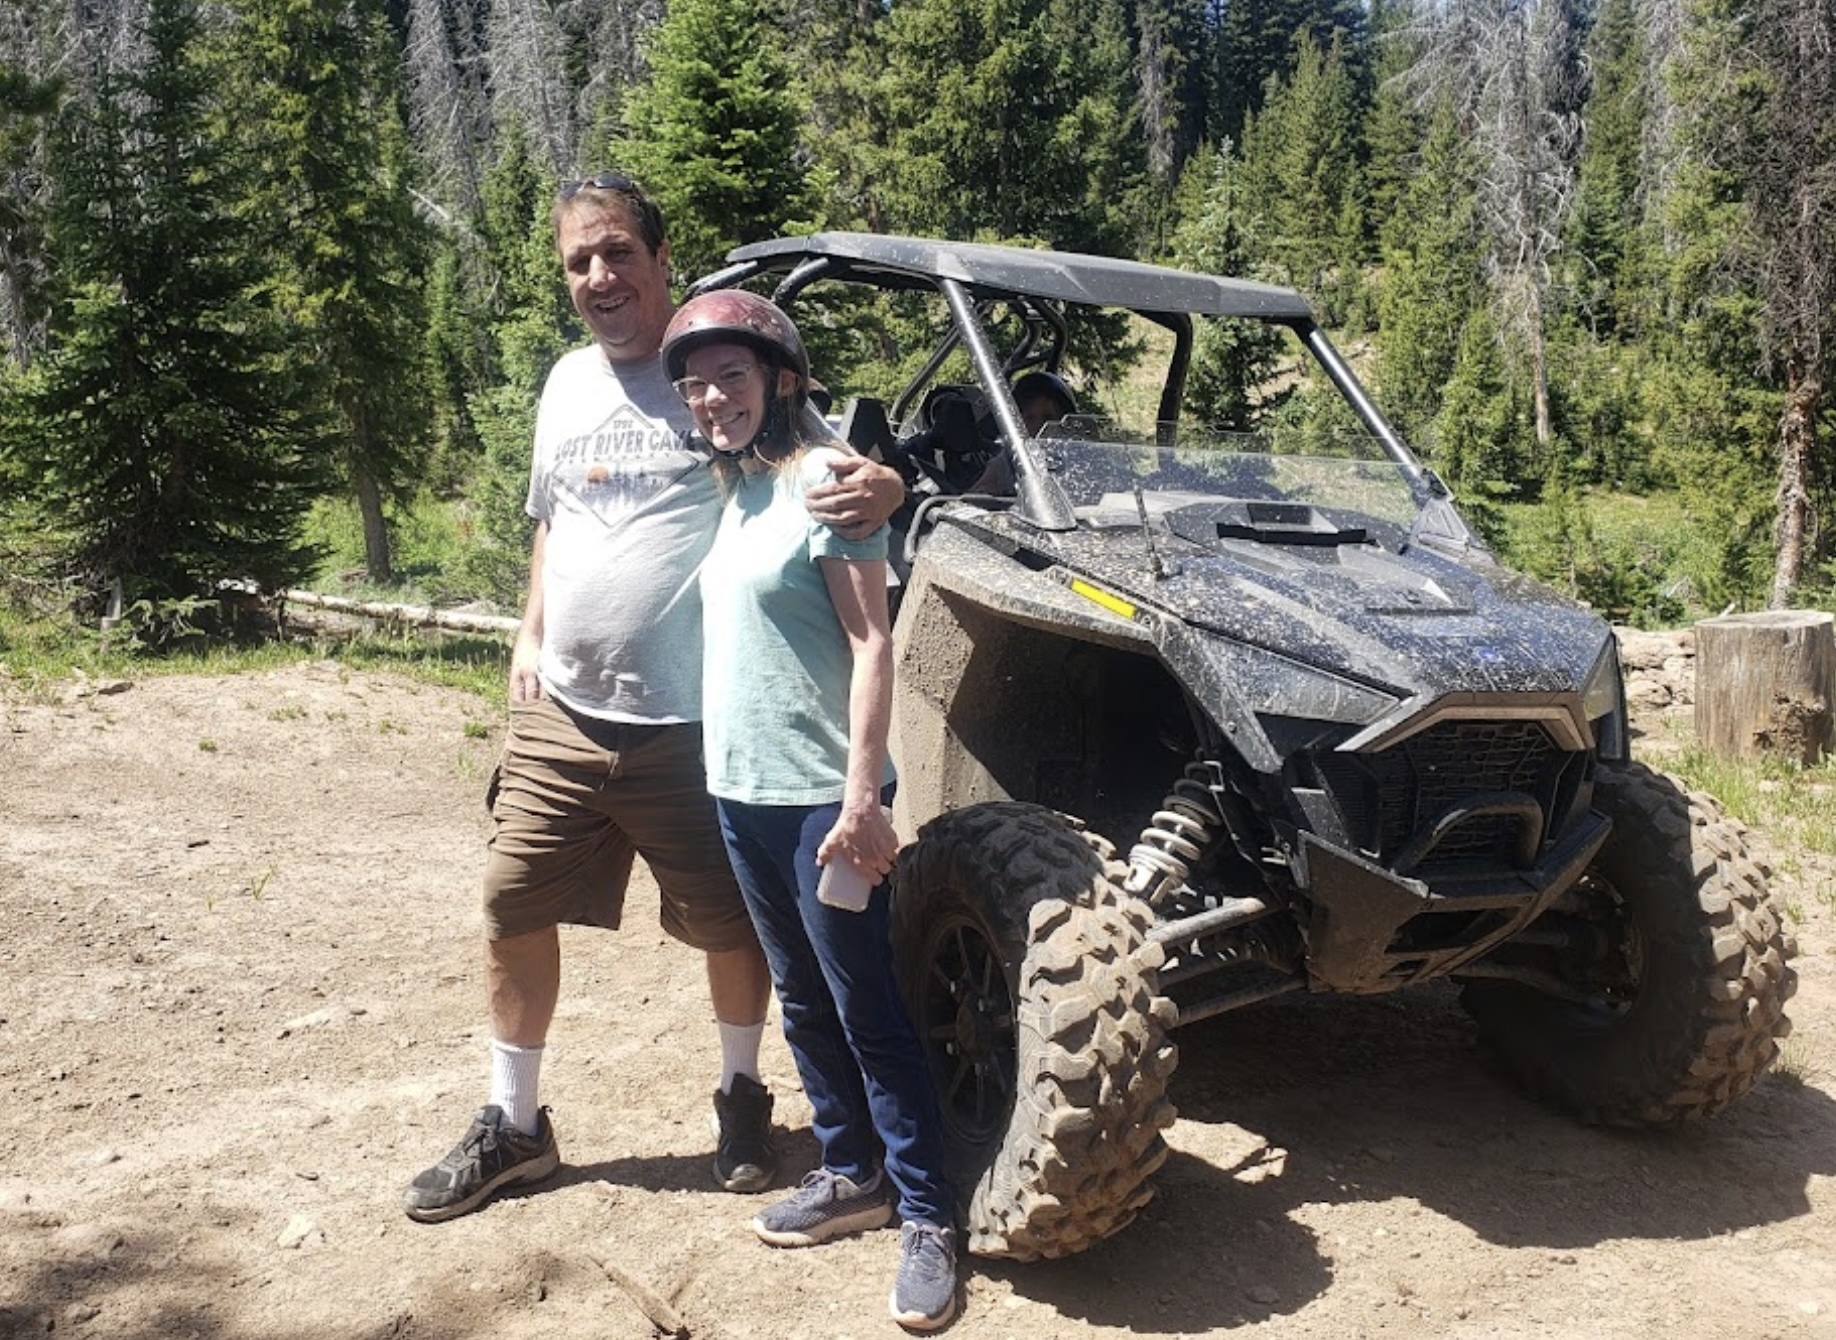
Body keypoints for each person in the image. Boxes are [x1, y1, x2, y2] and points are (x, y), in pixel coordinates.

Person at [401, 173, 904, 1224]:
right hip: (566, 712)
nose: (599, 276)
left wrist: (889, 484)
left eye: (618, 251)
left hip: (694, 726)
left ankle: (739, 1092)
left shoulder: (709, 368)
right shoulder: (564, 384)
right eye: (580, 260)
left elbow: (822, 465)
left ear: (662, 259)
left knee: (729, 925)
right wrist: (530, 630)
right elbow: (550, 521)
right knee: (510, 901)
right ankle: (516, 1123)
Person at [661, 289, 959, 1331]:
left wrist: (863, 796)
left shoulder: (829, 481)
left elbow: (875, 643)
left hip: (819, 801)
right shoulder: (737, 487)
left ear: (781, 379)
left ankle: (926, 1213)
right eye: (696, 383)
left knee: (866, 1001)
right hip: (741, 791)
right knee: (800, 993)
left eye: (731, 377)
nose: (710, 398)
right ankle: (851, 1170)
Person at [966, 368, 1079, 496]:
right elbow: (973, 496)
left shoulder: (1077, 458)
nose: (1039, 426)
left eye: (1048, 418)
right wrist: (990, 494)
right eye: (1030, 418)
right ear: (1017, 423)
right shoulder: (1009, 460)